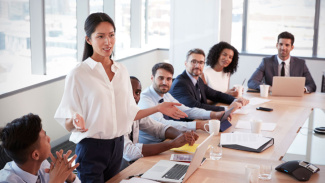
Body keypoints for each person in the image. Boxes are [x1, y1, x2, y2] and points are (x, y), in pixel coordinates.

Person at [54, 13, 187, 182]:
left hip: (117, 147)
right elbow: (67, 122)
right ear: (88, 39)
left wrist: (159, 108)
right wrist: (74, 120)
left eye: (111, 35)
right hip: (91, 148)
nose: (108, 42)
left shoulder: (121, 70)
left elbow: (130, 113)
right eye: (100, 36)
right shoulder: (78, 73)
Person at [138, 62, 231, 144]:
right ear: (152, 78)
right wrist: (198, 125)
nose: (165, 82)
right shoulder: (145, 99)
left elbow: (186, 110)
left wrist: (213, 114)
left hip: (169, 141)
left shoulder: (166, 95)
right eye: (161, 78)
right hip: (153, 147)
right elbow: (162, 124)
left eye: (168, 79)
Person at [121, 76, 198, 169]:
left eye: (137, 92)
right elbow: (130, 153)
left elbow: (158, 128)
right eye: (129, 92)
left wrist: (182, 136)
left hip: (137, 163)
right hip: (121, 168)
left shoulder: (136, 112)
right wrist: (172, 144)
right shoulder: (115, 117)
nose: (134, 96)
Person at [0, 113, 80, 183]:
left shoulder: (42, 164)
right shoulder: (6, 180)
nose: (49, 139)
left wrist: (70, 177)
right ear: (36, 155)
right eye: (45, 136)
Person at [169, 48, 249, 113]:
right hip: (185, 126)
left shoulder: (198, 80)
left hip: (200, 119)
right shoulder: (180, 84)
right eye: (194, 62)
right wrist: (227, 109)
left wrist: (235, 100)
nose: (198, 66)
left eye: (201, 62)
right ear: (186, 63)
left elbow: (215, 94)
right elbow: (196, 106)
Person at [248, 31, 316, 93]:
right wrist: (269, 88)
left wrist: (303, 89)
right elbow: (252, 82)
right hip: (273, 98)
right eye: (281, 44)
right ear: (277, 45)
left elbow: (312, 85)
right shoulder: (266, 62)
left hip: (294, 98)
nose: (283, 48)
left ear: (292, 47)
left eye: (287, 45)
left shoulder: (300, 63)